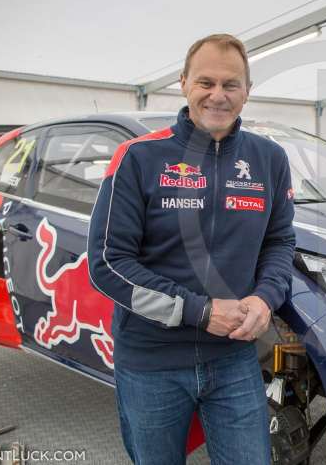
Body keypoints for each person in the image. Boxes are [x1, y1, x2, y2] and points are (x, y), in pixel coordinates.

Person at [87, 33, 296, 465]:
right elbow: (108, 263)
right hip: (152, 361)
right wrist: (200, 311)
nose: (217, 95)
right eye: (205, 82)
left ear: (247, 92)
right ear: (183, 83)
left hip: (235, 358)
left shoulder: (270, 159)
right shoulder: (138, 157)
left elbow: (279, 241)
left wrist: (265, 297)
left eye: (230, 84)